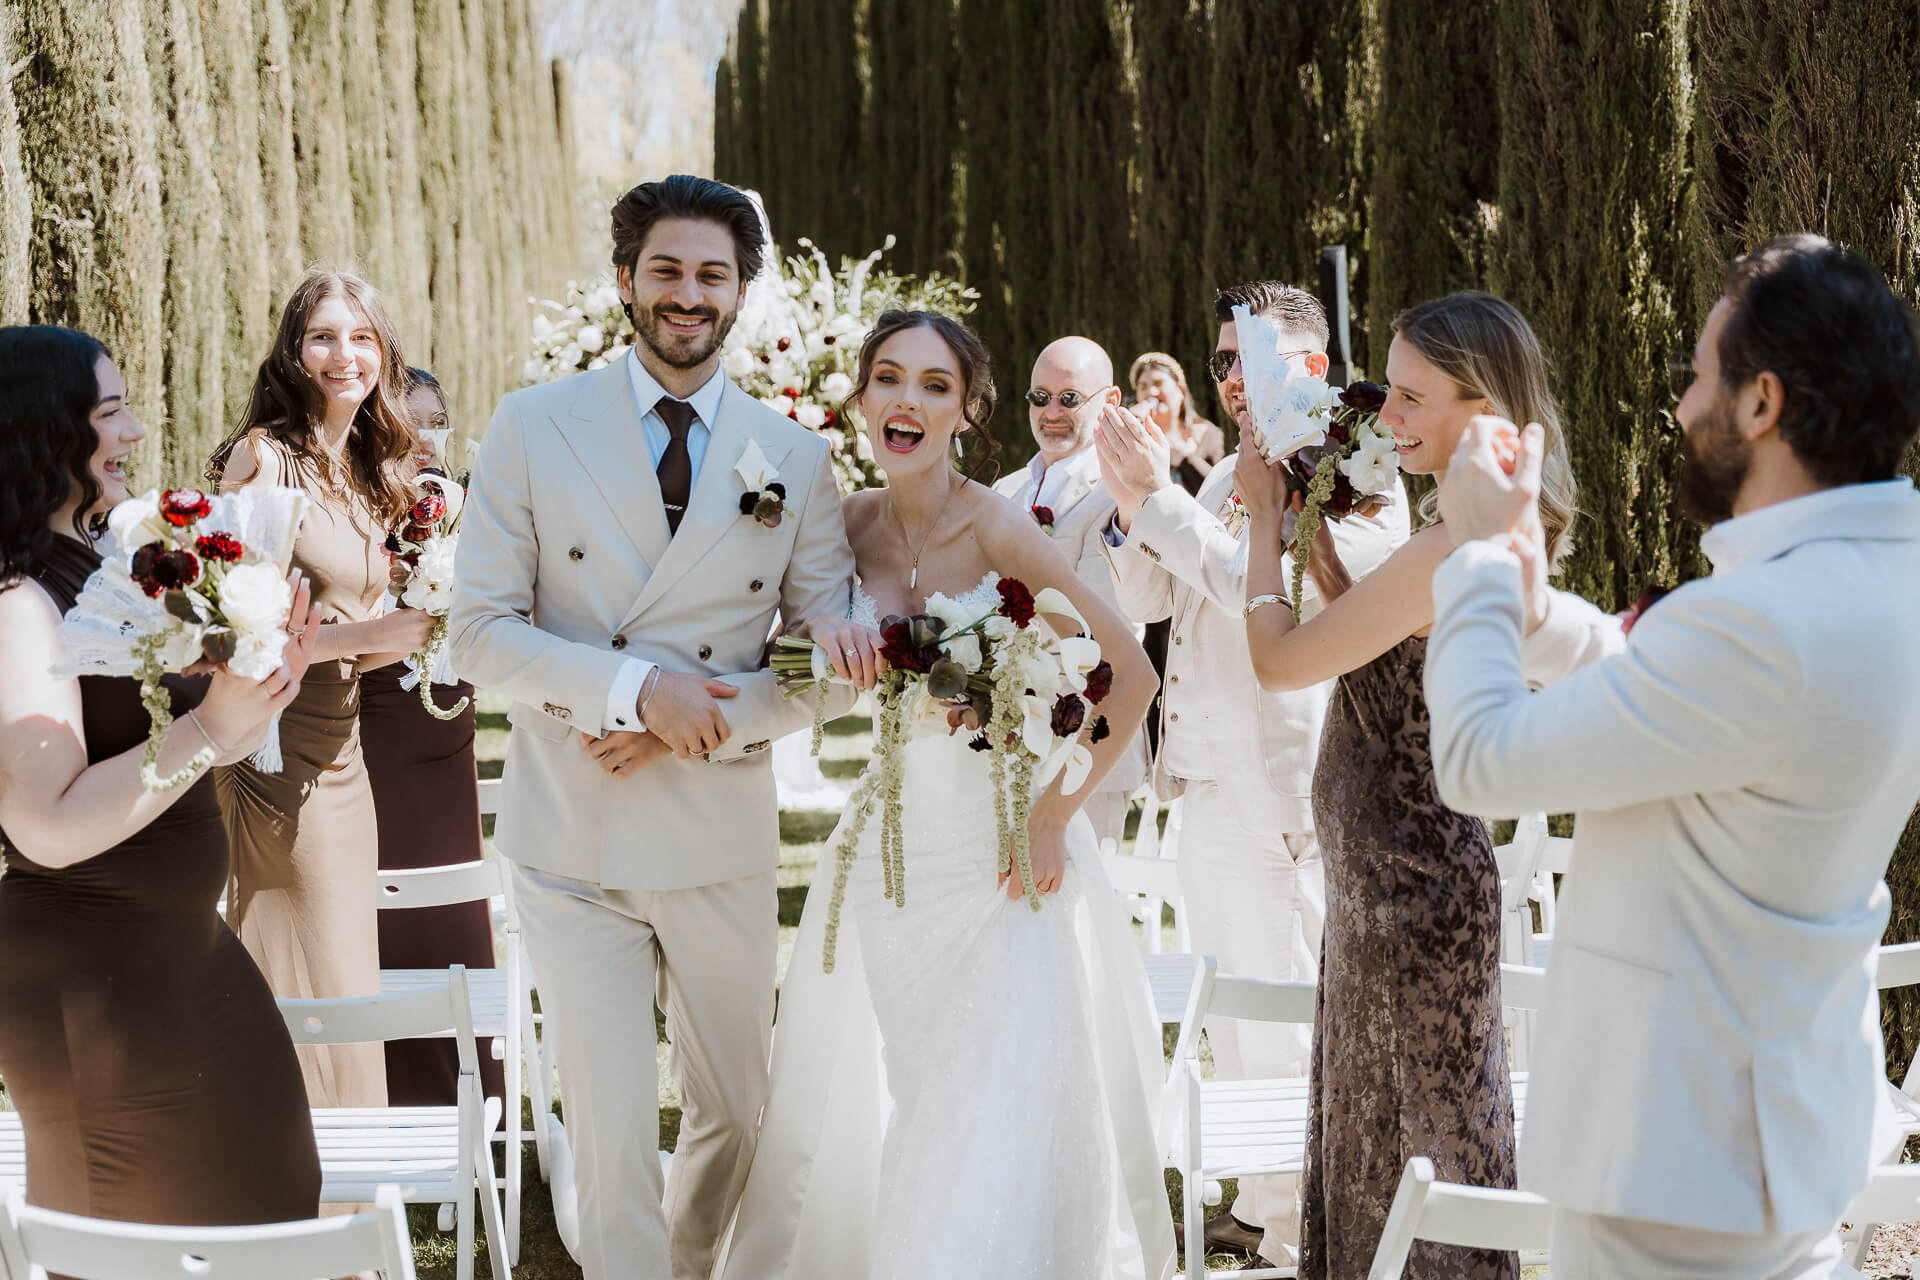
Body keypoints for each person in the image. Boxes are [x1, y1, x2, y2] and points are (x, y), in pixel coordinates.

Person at [1426, 235, 1920, 1279]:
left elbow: (1478, 758)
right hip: (1768, 1128)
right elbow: (1705, 711)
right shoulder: (1873, 585)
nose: (1682, 404)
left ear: (1762, 402)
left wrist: (1474, 556)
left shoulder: (1761, 622)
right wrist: (1535, 608)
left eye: (1697, 375)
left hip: (1676, 1158)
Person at [446, 175, 864, 1280]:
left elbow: (823, 662)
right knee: (614, 1121)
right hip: (571, 833)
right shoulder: (533, 424)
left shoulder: (796, 454)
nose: (689, 295)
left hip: (716, 832)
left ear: (741, 293)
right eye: (667, 271)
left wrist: (693, 720)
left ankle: (683, 1262)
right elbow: (478, 632)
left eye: (712, 275)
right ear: (626, 281)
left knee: (737, 1107)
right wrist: (633, 691)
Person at [719, 310, 1175, 1280]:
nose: (908, 400)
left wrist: (1052, 813)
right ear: (861, 399)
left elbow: (1130, 676)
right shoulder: (842, 528)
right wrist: (806, 649)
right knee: (923, 1084)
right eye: (889, 377)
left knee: (993, 1097)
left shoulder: (997, 525)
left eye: (936, 385)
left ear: (968, 409)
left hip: (1004, 852)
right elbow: (788, 671)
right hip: (891, 856)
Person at [1232, 290, 1580, 1279]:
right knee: (1396, 1143)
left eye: (1413, 397)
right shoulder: (1464, 533)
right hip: (1393, 883)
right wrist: (1317, 546)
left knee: (1411, 1155)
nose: (1385, 415)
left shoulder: (1446, 548)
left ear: (1486, 406)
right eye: (1388, 390)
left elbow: (1280, 662)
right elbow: (1390, 658)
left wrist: (1263, 528)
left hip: (1409, 892)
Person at [1096, 282, 1408, 1269]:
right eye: (1223, 360)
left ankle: (1311, 1221)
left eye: (1251, 359)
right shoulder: (1234, 470)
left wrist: (1160, 501)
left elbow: (1258, 585)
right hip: (1208, 787)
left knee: (1293, 1014)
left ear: (1312, 367)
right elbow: (1156, 595)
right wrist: (1131, 507)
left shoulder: (1356, 467)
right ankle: (1269, 1204)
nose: (1232, 378)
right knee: (1237, 1017)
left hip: (1287, 792)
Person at [0, 326, 321, 1235]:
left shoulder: (97, 565)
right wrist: (209, 726)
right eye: (109, 413)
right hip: (99, 990)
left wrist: (253, 695)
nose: (135, 432)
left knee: (268, 1206)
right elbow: (45, 825)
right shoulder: (19, 602)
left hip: (183, 957)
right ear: (38, 428)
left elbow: (174, 749)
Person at [208, 268, 436, 1113]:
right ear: (293, 352)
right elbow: (232, 639)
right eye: (324, 337)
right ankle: (293, 1171)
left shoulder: (371, 471)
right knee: (303, 985)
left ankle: (346, 1175)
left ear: (384, 352)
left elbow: (351, 645)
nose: (346, 355)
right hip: (270, 759)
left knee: (346, 981)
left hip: (344, 759)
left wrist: (433, 630)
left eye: (362, 337)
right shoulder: (263, 460)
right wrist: (372, 635)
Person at [358, 367, 504, 1106]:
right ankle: (375, 1094)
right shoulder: (350, 520)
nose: (424, 439)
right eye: (405, 424)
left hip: (445, 749)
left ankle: (468, 1101)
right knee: (374, 922)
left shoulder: (473, 517)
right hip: (367, 743)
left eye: (435, 422)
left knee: (450, 917)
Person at [991, 335, 1147, 846]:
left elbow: (1105, 629)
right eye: (1040, 397)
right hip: (999, 737)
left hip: (1085, 741)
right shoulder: (1003, 492)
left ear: (1111, 400)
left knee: (1078, 891)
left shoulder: (1122, 493)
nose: (1051, 412)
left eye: (1069, 398)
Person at [1130, 350, 1224, 494]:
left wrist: (1182, 457)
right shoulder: (1136, 441)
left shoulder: (1208, 434)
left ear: (1180, 388)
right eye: (1143, 387)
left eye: (1158, 383)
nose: (1151, 392)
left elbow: (1220, 490)